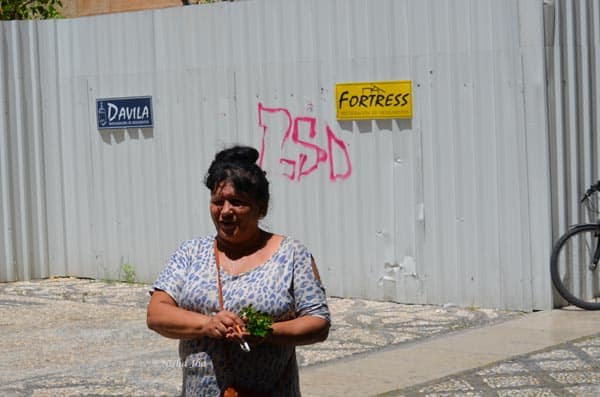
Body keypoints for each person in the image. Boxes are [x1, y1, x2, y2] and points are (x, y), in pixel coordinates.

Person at [147, 145, 330, 396]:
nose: (225, 212)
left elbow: (318, 322)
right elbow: (156, 313)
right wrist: (207, 324)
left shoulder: (292, 254)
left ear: (261, 208)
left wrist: (267, 332)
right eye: (218, 201)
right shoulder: (190, 252)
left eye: (238, 202)